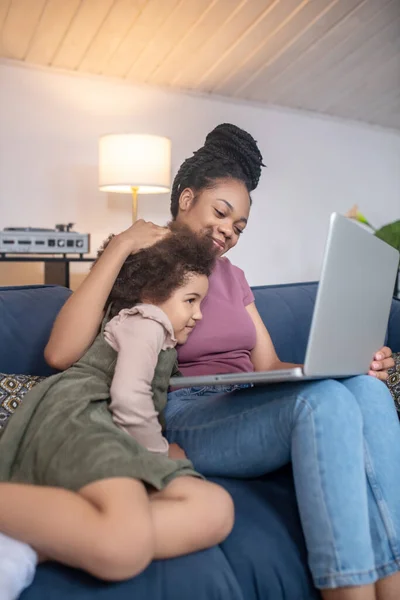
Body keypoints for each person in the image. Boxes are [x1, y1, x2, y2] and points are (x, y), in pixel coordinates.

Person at [43, 123, 400, 600]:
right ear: (186, 198)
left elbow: (268, 362)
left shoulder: (233, 276)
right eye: (221, 212)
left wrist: (348, 363)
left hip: (254, 398)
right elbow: (60, 353)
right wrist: (122, 244)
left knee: (368, 391)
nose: (228, 231)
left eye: (239, 226)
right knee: (325, 405)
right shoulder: (143, 261)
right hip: (191, 409)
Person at [0, 225, 234, 600]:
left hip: (113, 432)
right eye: (191, 300)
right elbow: (128, 397)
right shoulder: (148, 320)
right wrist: (157, 454)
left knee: (215, 509)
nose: (199, 315)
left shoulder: (159, 333)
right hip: (85, 416)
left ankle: (44, 536)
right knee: (124, 546)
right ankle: (98, 535)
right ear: (151, 292)